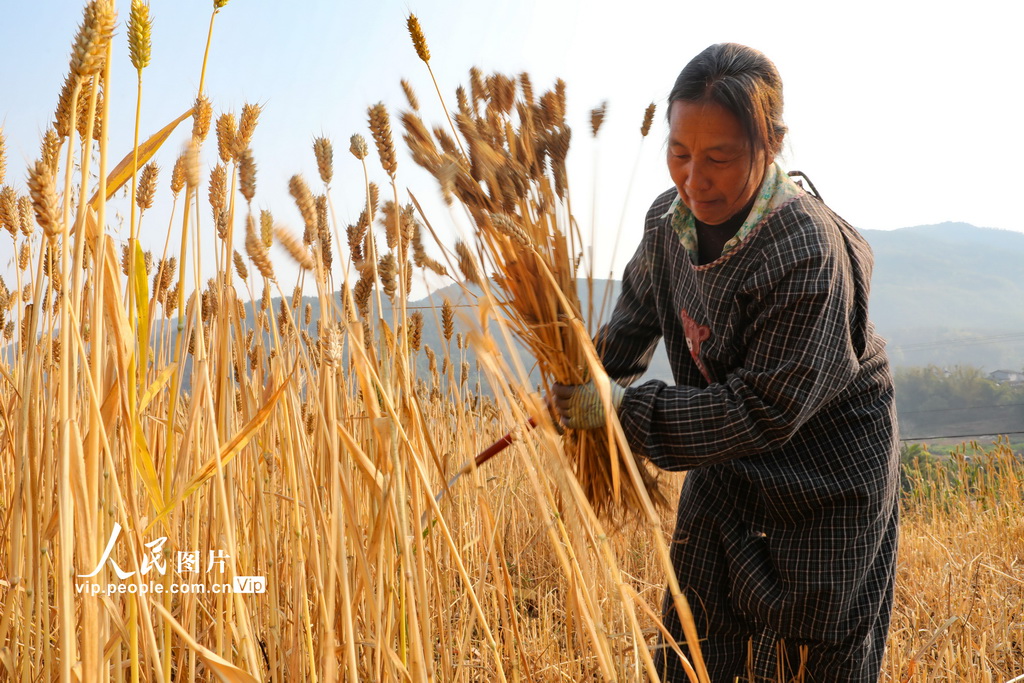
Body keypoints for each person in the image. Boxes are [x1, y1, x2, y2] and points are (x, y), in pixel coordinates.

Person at [551, 43, 900, 682]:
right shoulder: (668, 223)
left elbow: (763, 410)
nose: (694, 179)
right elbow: (634, 320)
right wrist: (585, 379)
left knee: (804, 653)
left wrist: (625, 413)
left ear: (772, 144)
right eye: (679, 153)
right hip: (724, 455)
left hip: (826, 473)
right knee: (695, 632)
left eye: (719, 158)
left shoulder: (806, 251)